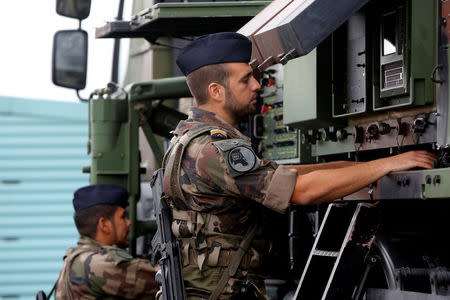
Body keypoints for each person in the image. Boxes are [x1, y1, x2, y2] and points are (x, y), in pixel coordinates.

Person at [162, 32, 436, 299]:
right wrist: (391, 163)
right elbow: (300, 191)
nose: (257, 85)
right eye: (246, 79)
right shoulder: (215, 148)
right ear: (216, 91)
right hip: (220, 290)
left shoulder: (188, 137)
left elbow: (278, 176)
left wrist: (350, 166)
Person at [54, 184, 159, 300]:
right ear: (104, 225)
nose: (128, 222)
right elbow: (164, 279)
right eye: (123, 216)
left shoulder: (74, 257)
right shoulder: (97, 264)